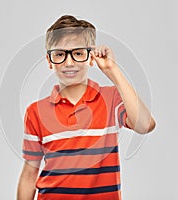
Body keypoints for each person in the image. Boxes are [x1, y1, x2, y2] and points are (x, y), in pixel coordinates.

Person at [17, 15, 156, 200]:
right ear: (50, 61)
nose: (69, 62)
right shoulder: (35, 112)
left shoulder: (111, 99)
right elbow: (29, 174)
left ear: (91, 58)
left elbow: (145, 125)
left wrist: (112, 70)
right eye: (59, 54)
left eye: (78, 53)